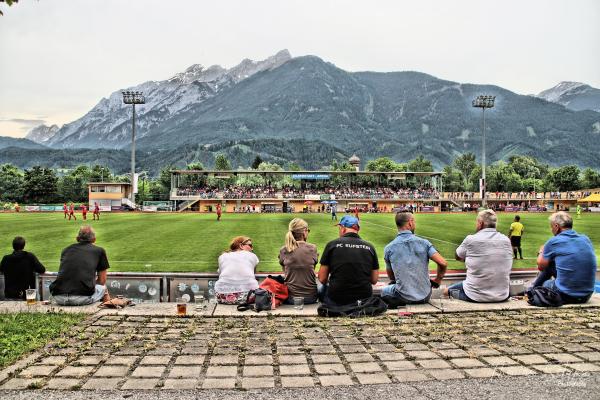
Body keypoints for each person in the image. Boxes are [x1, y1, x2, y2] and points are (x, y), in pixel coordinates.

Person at [381, 212, 447, 307]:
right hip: (425, 296)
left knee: (384, 291)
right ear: (410, 223)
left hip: (402, 297)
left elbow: (392, 277)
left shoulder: (389, 248)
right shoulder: (424, 243)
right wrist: (438, 280)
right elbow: (443, 263)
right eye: (414, 222)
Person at [445, 209, 513, 302]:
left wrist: (472, 259)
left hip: (475, 295)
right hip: (503, 294)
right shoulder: (506, 240)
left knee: (446, 291)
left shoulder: (471, 239)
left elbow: (458, 256)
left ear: (480, 223)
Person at [532, 211, 596, 304]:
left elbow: (541, 266)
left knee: (546, 280)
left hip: (566, 295)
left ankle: (532, 290)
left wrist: (542, 251)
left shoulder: (554, 241)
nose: (551, 229)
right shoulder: (586, 239)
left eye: (551, 226)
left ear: (557, 227)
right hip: (586, 295)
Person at [318, 216, 379, 306]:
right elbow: (374, 280)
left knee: (321, 288)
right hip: (363, 300)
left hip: (337, 300)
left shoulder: (332, 245)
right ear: (357, 229)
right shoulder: (370, 247)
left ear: (343, 229)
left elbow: (322, 278)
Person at [49, 226, 110, 305]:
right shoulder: (99, 251)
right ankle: (109, 308)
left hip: (58, 297)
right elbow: (102, 281)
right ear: (94, 239)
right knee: (103, 288)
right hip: (81, 298)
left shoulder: (66, 250)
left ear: (77, 238)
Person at [279, 218, 319, 304]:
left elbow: (285, 273)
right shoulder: (312, 248)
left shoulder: (283, 250)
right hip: (311, 298)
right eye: (308, 230)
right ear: (304, 231)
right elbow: (311, 270)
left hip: (290, 298)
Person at [214, 236, 259, 304]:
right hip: (248, 296)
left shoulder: (222, 256)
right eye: (250, 245)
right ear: (241, 245)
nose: (252, 248)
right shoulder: (252, 256)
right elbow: (253, 273)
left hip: (222, 296)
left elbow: (221, 273)